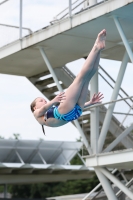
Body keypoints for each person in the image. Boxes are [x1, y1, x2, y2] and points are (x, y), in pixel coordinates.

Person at [30, 29, 106, 132]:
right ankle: (96, 47)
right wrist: (53, 101)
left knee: (87, 77)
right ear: (34, 107)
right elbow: (43, 109)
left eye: (44, 99)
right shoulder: (36, 114)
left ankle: (99, 50)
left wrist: (90, 103)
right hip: (67, 113)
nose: (44, 101)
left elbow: (71, 105)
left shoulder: (49, 112)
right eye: (41, 100)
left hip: (76, 111)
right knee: (80, 78)